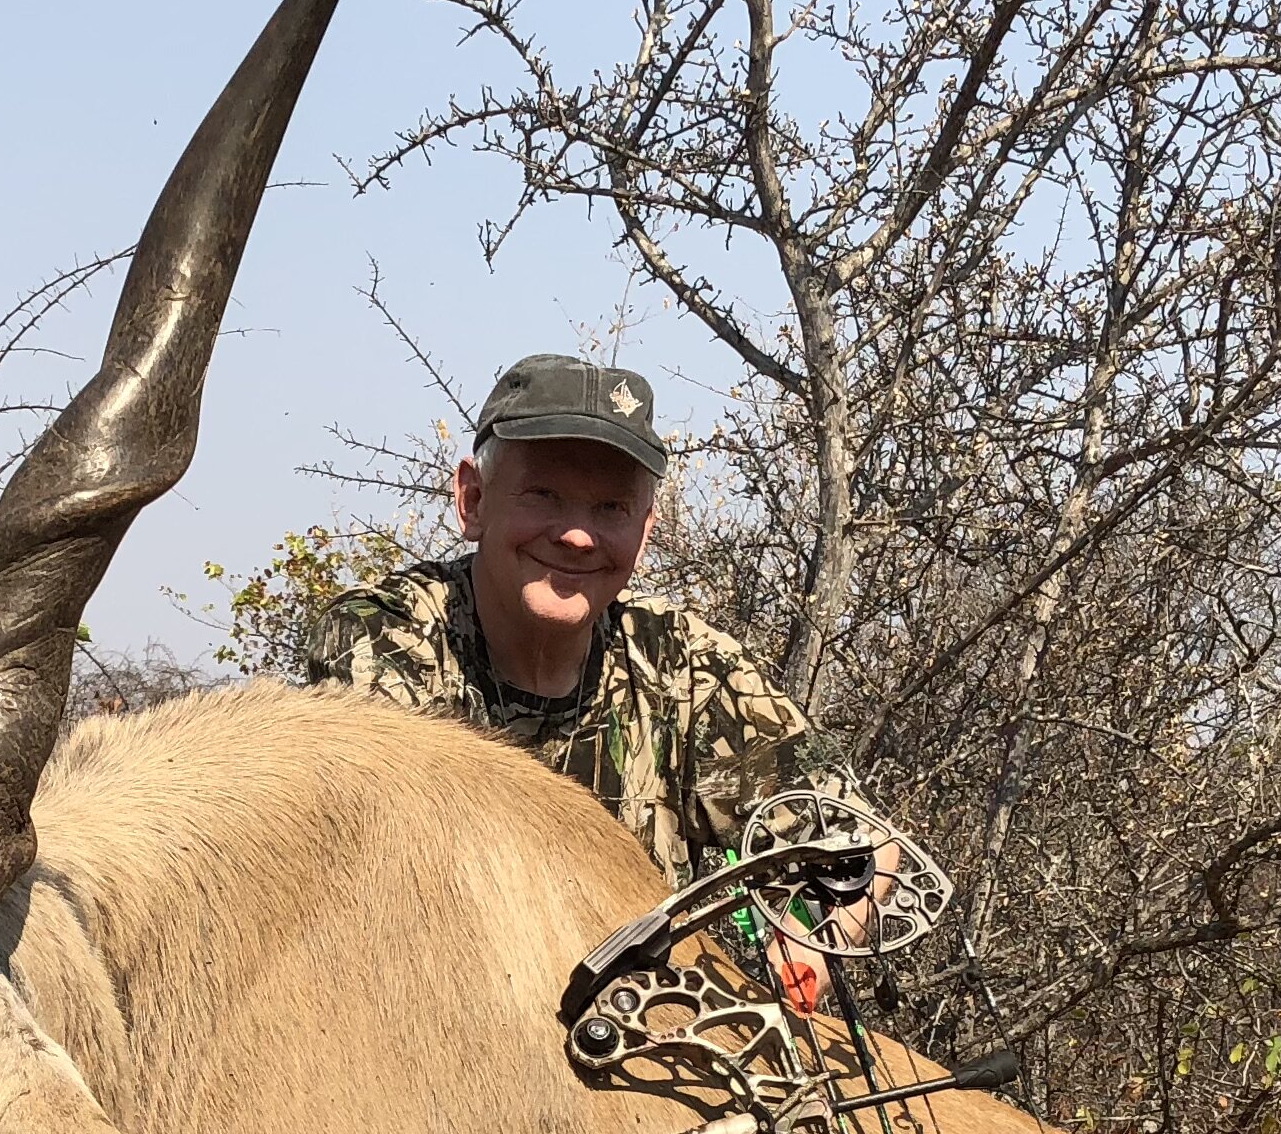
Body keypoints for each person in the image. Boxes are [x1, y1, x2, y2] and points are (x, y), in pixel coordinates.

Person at [296, 353, 885, 1009]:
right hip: (437, 1018)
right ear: (473, 500)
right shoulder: (383, 637)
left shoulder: (685, 661)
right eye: (543, 495)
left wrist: (826, 936)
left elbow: (865, 846)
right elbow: (405, 871)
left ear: (645, 531)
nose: (577, 535)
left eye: (611, 507)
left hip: (638, 1042)